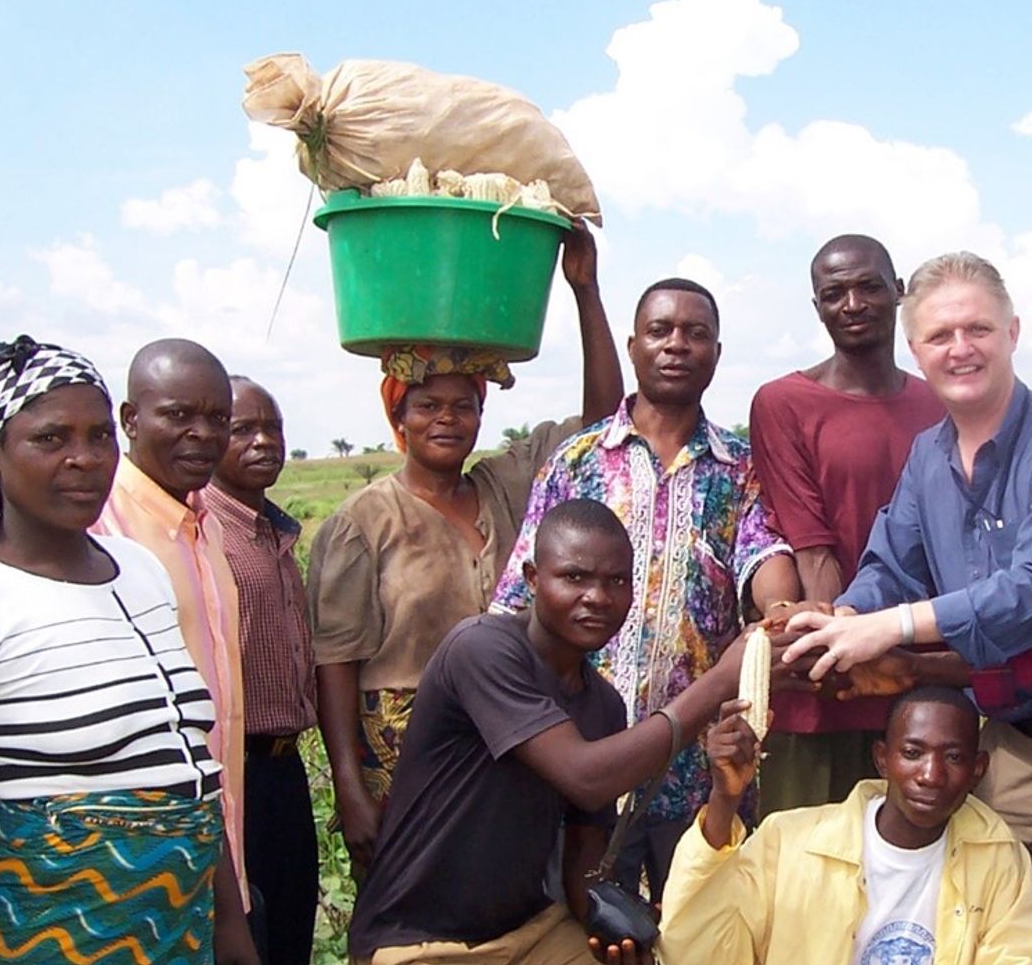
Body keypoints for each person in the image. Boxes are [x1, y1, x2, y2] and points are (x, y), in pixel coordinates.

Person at [784, 252, 1032, 965]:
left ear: (1012, 331)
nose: (961, 348)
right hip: (1001, 749)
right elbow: (890, 564)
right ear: (916, 349)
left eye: (977, 328)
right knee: (1014, 941)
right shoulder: (928, 456)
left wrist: (890, 627)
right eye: (941, 335)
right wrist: (844, 618)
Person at [0, 336, 257, 965]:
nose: (84, 459)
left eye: (99, 436)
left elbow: (187, 772)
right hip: (47, 934)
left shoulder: (139, 573)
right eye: (51, 439)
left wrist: (234, 939)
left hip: (179, 935)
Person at [309, 223, 623, 876]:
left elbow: (601, 421)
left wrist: (583, 290)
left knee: (500, 902)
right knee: (414, 909)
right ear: (400, 419)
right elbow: (335, 662)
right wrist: (349, 784)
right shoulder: (363, 520)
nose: (447, 418)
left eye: (463, 405)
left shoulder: (502, 487)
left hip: (511, 735)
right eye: (427, 405)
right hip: (404, 749)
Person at [492, 277, 800, 901]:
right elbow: (515, 602)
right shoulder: (577, 462)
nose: (677, 345)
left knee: (691, 931)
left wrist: (782, 609)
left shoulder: (741, 469)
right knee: (577, 932)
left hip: (695, 770)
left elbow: (763, 553)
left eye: (696, 334)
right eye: (661, 331)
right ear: (634, 347)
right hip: (577, 756)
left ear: (716, 352)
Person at [348, 499, 751, 965]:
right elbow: (586, 776)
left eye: (616, 581)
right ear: (533, 579)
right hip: (419, 941)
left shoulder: (602, 705)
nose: (597, 597)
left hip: (529, 931)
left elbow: (584, 849)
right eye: (574, 578)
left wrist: (608, 929)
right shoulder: (481, 650)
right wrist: (720, 681)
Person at [747, 234, 945, 813]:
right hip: (823, 682)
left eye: (868, 287)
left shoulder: (939, 404)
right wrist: (840, 652)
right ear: (817, 307)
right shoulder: (784, 403)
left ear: (899, 292)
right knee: (805, 870)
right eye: (834, 293)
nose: (852, 304)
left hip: (916, 676)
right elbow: (812, 547)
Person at [658, 686, 1032, 965]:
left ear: (978, 770)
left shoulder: (996, 857)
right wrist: (724, 801)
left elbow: (1026, 952)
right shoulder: (789, 842)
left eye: (954, 758)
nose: (931, 774)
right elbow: (697, 949)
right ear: (882, 758)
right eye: (912, 752)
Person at [91, 336, 250, 898]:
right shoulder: (100, 530)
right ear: (131, 419)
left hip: (216, 842)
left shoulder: (209, 525)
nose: (203, 433)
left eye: (217, 418)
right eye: (178, 415)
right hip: (132, 857)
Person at [204, 375, 318, 965]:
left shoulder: (273, 530)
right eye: (242, 429)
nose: (262, 441)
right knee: (246, 937)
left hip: (283, 767)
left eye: (272, 428)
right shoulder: (204, 534)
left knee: (292, 926)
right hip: (230, 773)